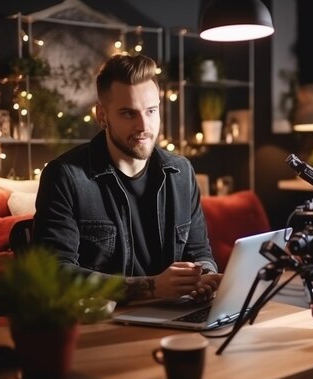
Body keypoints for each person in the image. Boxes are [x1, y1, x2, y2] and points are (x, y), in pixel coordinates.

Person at [33, 53, 221, 303]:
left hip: (174, 314)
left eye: (151, 111)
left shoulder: (182, 172)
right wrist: (151, 288)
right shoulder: (64, 176)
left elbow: (200, 252)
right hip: (103, 321)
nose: (144, 125)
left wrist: (205, 276)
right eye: (128, 114)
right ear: (102, 116)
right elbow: (56, 273)